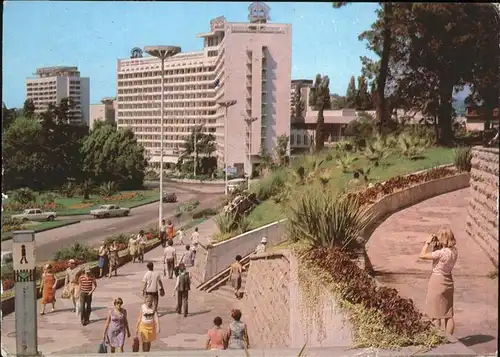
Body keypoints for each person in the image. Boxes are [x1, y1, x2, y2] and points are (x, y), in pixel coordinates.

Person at [419, 227, 458, 336]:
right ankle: (449, 338)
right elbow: (440, 255)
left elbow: (422, 255)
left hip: (437, 280)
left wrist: (427, 243)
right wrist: (436, 246)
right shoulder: (454, 251)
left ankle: (436, 337)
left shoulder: (441, 253)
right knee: (448, 313)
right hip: (448, 280)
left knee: (435, 313)